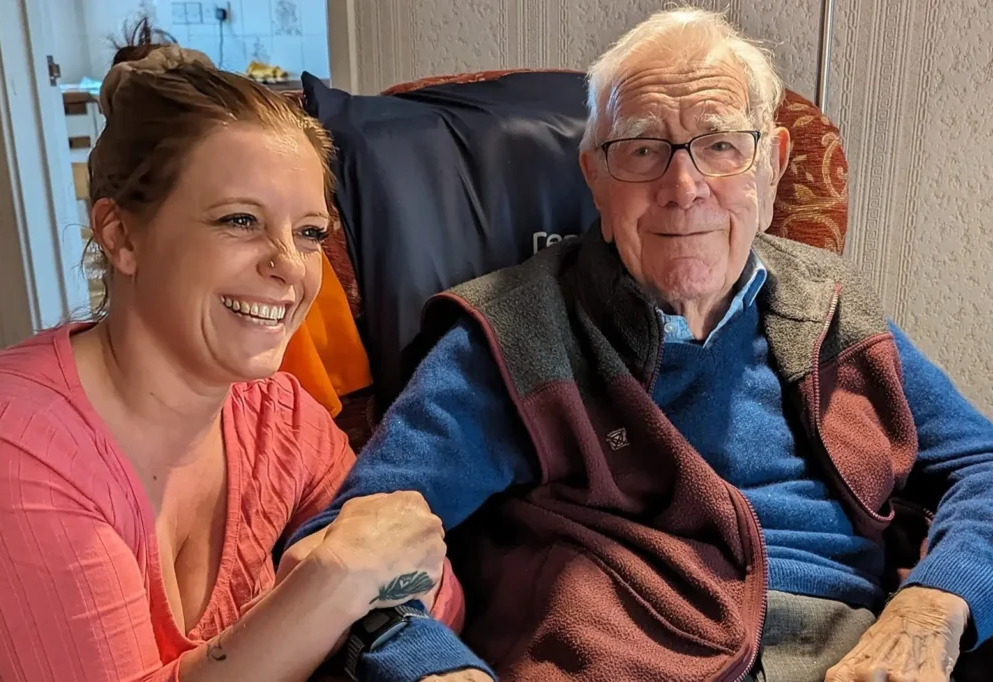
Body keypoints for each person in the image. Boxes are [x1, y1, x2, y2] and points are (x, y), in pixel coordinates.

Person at [284, 8, 993, 682]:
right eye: (643, 149)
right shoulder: (513, 334)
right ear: (594, 174)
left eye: (720, 145)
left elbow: (982, 467)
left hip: (855, 653)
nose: (683, 188)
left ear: (771, 165)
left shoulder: (833, 305)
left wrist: (937, 603)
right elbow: (338, 549)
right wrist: (436, 667)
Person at [0, 25, 493, 682]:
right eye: (239, 220)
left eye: (307, 233)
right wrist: (329, 580)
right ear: (121, 234)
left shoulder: (278, 419)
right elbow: (366, 569)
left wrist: (367, 592)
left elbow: (435, 593)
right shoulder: (7, 440)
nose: (289, 267)